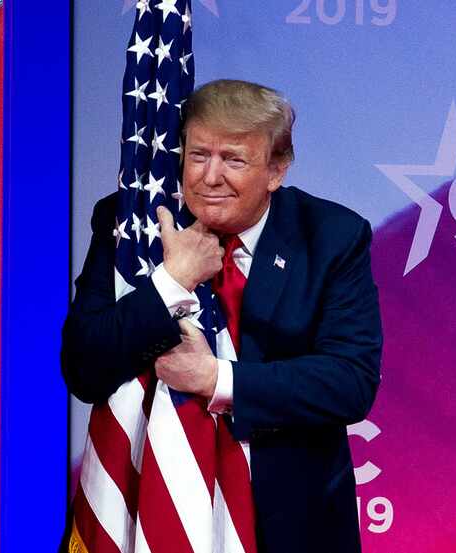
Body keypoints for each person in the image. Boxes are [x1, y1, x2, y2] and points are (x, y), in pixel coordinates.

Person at [62, 79, 383, 553]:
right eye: (198, 155)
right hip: (146, 514)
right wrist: (170, 282)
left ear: (276, 169)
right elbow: (84, 369)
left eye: (233, 160)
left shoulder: (332, 236)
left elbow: (349, 381)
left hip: (285, 521)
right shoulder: (131, 225)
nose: (210, 177)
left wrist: (216, 379)